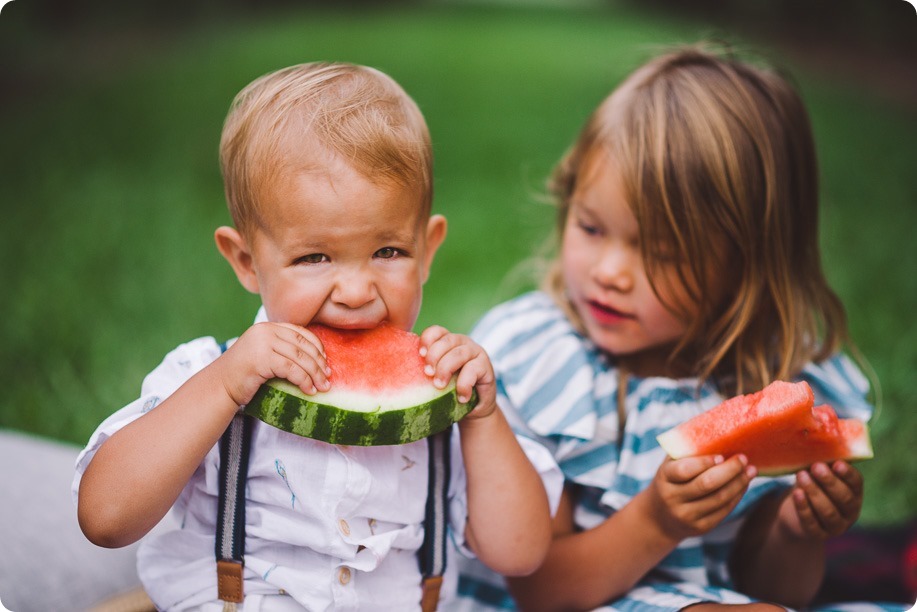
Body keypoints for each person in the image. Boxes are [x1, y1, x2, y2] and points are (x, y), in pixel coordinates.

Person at [72, 62, 556, 611]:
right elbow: (105, 518)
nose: (354, 290)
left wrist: (484, 420)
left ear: (429, 248)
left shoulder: (443, 389)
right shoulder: (204, 372)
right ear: (247, 262)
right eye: (313, 257)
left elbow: (520, 552)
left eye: (388, 251)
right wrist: (223, 388)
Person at [454, 44, 905, 611]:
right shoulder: (540, 367)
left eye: (662, 253)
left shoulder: (771, 377)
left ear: (748, 264)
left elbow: (773, 591)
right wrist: (654, 521)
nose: (610, 273)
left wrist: (797, 530)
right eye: (591, 227)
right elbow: (542, 591)